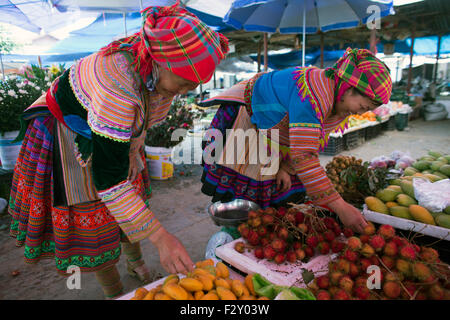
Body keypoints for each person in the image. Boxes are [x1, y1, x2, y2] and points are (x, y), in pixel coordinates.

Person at [8, 2, 229, 299]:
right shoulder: (118, 88)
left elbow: (152, 108)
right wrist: (161, 237)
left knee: (132, 193)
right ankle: (115, 292)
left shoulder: (156, 71)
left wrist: (134, 143)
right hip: (70, 130)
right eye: (184, 84)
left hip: (113, 128)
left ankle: (135, 261)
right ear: (162, 63)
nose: (185, 92)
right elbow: (109, 181)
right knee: (95, 215)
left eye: (193, 86)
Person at [200, 48, 392, 234]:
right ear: (349, 89)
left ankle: (255, 235)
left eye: (366, 110)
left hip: (274, 131)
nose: (360, 113)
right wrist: (340, 206)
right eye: (362, 106)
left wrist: (286, 167)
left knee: (278, 187)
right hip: (249, 115)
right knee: (245, 194)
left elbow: (309, 141)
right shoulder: (312, 96)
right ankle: (231, 240)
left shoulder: (338, 102)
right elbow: (304, 155)